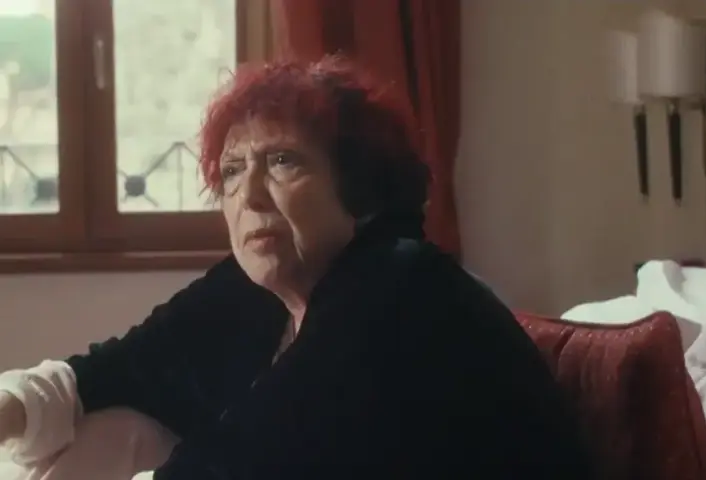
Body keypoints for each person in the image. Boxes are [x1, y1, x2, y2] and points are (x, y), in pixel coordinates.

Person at [0, 55, 594, 479]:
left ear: (359, 187)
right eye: (232, 171)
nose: (250, 196)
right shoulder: (254, 289)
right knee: (116, 425)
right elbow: (112, 371)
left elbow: (245, 459)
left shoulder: (400, 284)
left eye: (283, 161)